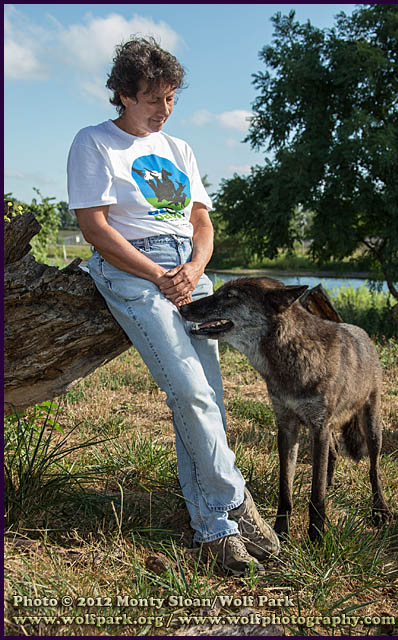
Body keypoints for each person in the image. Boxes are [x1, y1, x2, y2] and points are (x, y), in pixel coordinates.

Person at [67, 37, 279, 575]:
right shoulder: (94, 143)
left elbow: (202, 221)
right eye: (152, 98)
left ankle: (213, 531)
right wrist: (159, 274)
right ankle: (233, 499)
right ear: (122, 95)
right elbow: (95, 228)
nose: (163, 109)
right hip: (133, 269)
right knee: (187, 388)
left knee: (209, 399)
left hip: (189, 269)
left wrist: (193, 268)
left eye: (171, 98)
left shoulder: (180, 148)